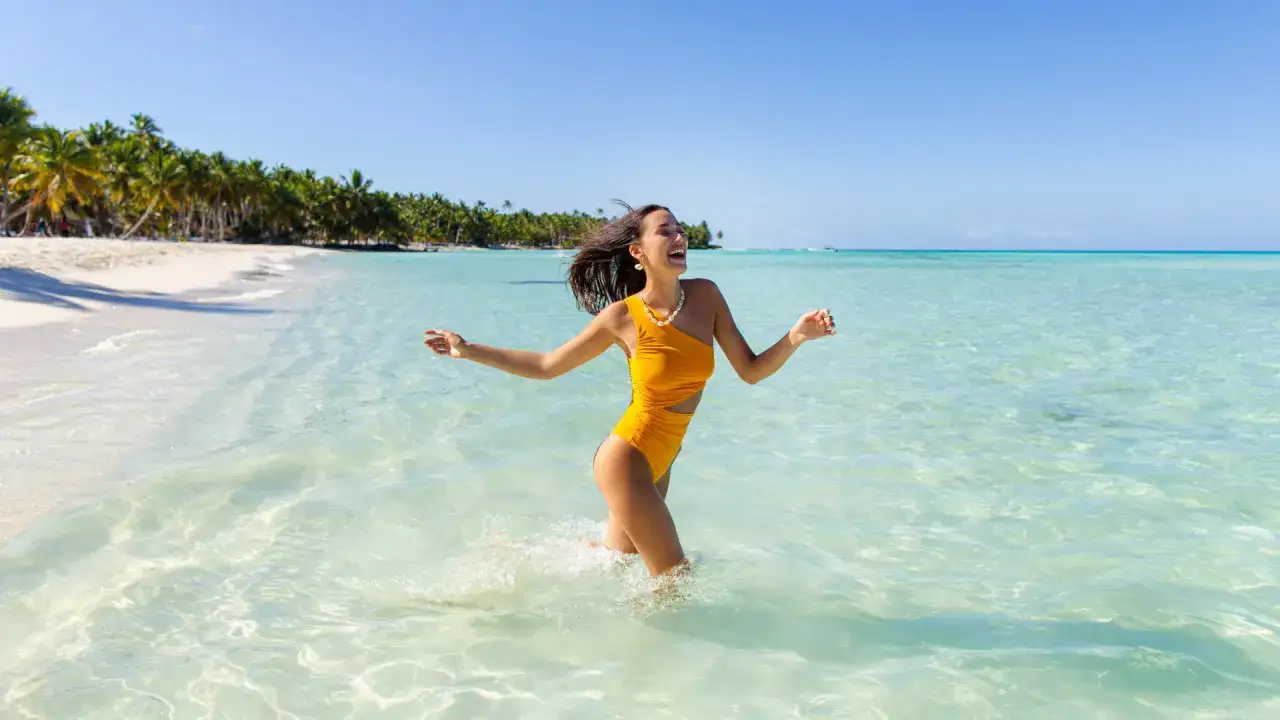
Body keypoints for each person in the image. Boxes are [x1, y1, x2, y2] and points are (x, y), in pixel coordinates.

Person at [424, 202, 835, 579]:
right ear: (637, 252)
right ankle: (644, 653)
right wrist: (468, 349)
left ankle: (513, 554)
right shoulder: (621, 317)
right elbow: (548, 366)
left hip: (663, 457)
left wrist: (795, 337)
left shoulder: (707, 295)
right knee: (675, 578)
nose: (679, 237)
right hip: (628, 459)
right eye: (665, 231)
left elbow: (750, 371)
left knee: (616, 560)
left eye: (680, 229)